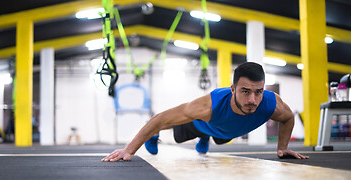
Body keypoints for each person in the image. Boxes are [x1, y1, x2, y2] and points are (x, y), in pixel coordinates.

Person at [102, 62, 309, 162]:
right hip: (199, 123)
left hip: (223, 132)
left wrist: (282, 148)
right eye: (245, 92)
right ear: (233, 89)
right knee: (177, 131)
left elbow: (289, 118)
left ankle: (208, 135)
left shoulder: (271, 103)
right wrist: (129, 150)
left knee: (221, 138)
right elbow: (160, 118)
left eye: (258, 92)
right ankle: (157, 136)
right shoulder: (208, 106)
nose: (252, 100)